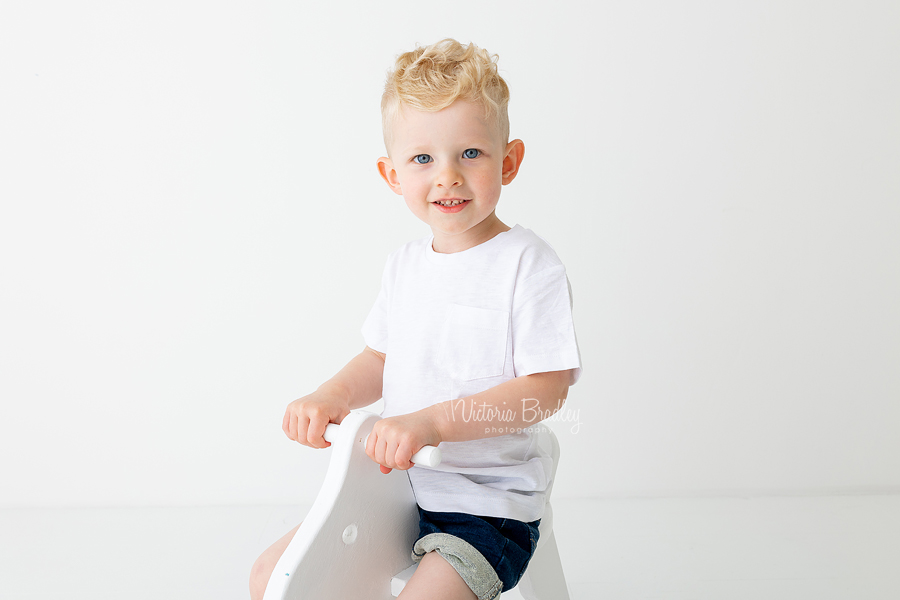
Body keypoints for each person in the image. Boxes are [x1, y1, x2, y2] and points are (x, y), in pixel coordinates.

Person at [250, 38, 582, 600]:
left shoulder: (528, 265)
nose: (447, 176)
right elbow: (380, 358)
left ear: (509, 160)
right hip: (396, 489)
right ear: (392, 174)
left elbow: (545, 392)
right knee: (272, 577)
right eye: (423, 159)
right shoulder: (404, 266)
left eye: (470, 154)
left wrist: (434, 424)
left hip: (486, 505)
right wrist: (331, 396)